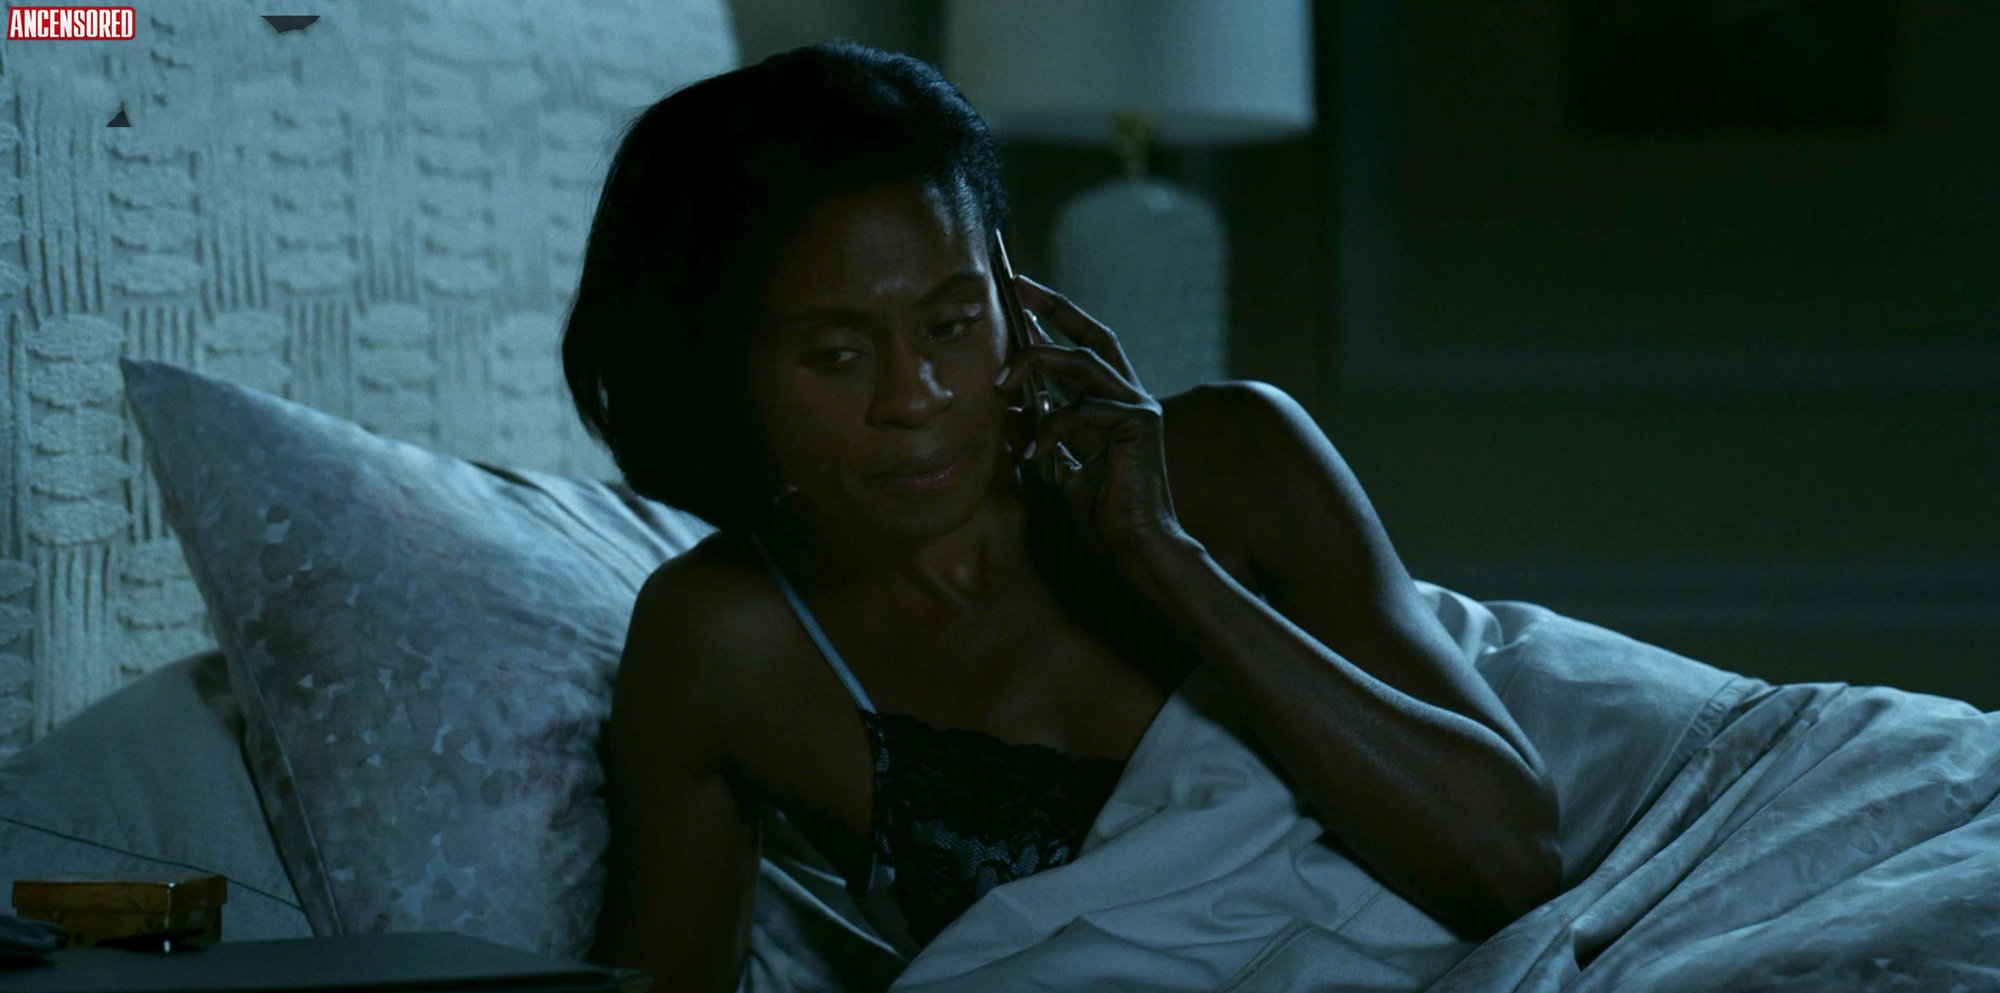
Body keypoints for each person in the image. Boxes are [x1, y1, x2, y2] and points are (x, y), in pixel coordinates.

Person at [562, 41, 1562, 992]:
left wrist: (1166, 560)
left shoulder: (1236, 457)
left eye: (954, 324)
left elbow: (1510, 867)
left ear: (1014, 290)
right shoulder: (725, 644)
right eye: (837, 355)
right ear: (717, 369)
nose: (915, 395)